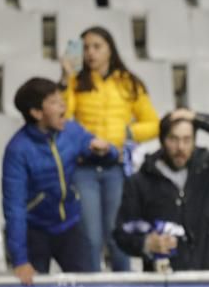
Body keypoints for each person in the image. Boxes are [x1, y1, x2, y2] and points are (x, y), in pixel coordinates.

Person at [60, 26, 159, 272]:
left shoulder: (129, 83)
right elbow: (62, 117)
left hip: (117, 167)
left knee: (118, 236)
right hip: (84, 167)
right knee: (91, 238)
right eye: (85, 48)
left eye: (96, 46)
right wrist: (65, 77)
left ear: (109, 49)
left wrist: (124, 135)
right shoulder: (74, 82)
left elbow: (154, 124)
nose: (90, 53)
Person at [2, 77, 115, 285]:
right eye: (54, 102)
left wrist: (107, 150)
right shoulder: (17, 150)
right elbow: (14, 207)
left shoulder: (71, 131)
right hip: (34, 232)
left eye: (61, 99)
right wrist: (20, 259)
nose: (63, 105)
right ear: (36, 113)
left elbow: (108, 155)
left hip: (70, 226)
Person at [113, 109, 209, 271]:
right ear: (162, 140)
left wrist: (197, 118)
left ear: (194, 140)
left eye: (187, 139)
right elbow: (122, 233)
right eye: (174, 139)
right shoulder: (140, 181)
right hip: (166, 280)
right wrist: (145, 244)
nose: (181, 147)